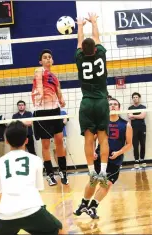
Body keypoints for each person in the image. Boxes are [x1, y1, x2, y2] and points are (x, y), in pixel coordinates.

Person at [0, 121, 64, 235]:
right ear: (26, 140)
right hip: (32, 210)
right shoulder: (36, 160)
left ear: (6, 141)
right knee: (60, 231)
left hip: (5, 214)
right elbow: (39, 188)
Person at [74, 98, 133, 219]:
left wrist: (118, 153)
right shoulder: (102, 124)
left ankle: (93, 207)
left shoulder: (125, 124)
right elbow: (92, 139)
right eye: (110, 104)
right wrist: (93, 152)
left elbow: (129, 144)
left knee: (107, 184)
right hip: (100, 158)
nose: (112, 106)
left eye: (115, 104)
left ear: (119, 108)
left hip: (114, 160)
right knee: (93, 181)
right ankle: (84, 204)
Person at [75, 13, 109, 185]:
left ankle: (91, 172)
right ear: (95, 49)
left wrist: (80, 25)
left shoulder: (79, 58)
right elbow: (97, 37)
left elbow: (81, 41)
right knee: (103, 138)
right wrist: (94, 22)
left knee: (88, 138)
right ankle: (103, 172)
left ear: (83, 49)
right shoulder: (101, 54)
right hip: (102, 101)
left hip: (87, 102)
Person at [32, 49, 68, 186]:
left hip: (55, 110)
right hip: (41, 112)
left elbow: (58, 90)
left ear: (52, 60)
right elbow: (39, 84)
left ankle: (63, 172)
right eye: (45, 57)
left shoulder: (54, 76)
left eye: (49, 57)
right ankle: (50, 174)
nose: (47, 59)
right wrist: (40, 94)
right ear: (41, 61)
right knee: (45, 144)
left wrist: (61, 100)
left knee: (59, 141)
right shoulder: (38, 70)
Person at [128, 92, 146, 169]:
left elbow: (142, 116)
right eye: (134, 97)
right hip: (133, 128)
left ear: (139, 98)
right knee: (135, 145)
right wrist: (137, 116)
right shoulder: (130, 108)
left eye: (136, 97)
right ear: (132, 99)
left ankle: (142, 160)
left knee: (143, 144)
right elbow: (130, 117)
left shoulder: (143, 107)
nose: (135, 98)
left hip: (142, 128)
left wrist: (133, 115)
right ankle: (136, 160)